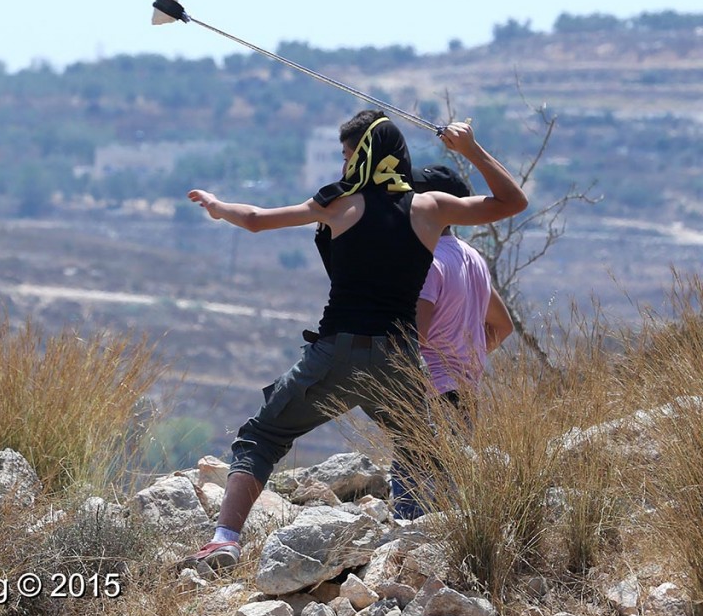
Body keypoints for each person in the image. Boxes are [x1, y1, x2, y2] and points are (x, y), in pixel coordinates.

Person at [182, 110, 528, 574]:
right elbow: (512, 202)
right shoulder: (431, 209)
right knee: (425, 453)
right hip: (399, 363)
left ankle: (225, 540)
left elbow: (258, 220)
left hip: (336, 353)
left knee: (262, 437)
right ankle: (429, 560)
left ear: (363, 155)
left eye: (348, 154)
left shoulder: (337, 205)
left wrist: (218, 206)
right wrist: (470, 151)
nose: (344, 165)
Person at [411, 164, 515, 418]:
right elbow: (503, 326)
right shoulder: (472, 256)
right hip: (467, 393)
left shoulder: (427, 261)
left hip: (431, 394)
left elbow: (414, 338)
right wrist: (459, 361)